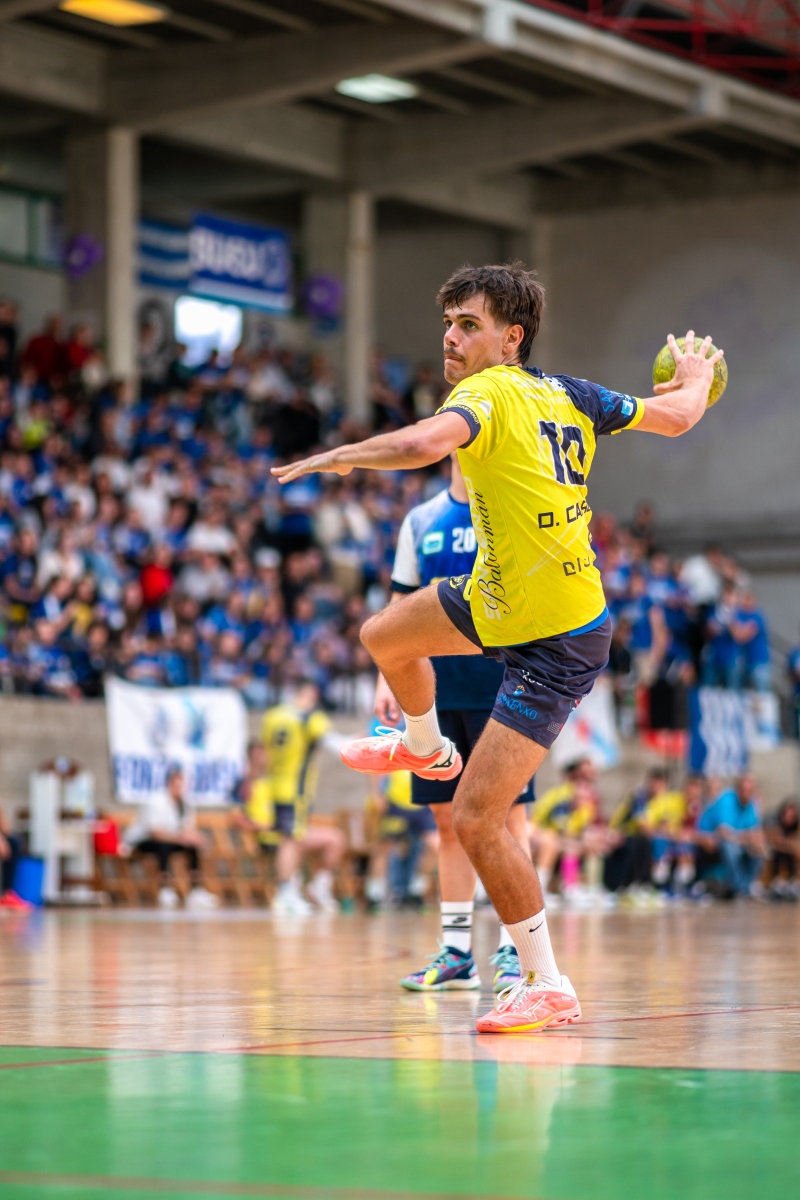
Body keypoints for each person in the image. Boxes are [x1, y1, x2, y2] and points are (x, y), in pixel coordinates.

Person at [272, 261, 724, 1033]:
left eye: (468, 325)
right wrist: (696, 378)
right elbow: (679, 416)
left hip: (558, 637)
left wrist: (338, 456)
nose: (450, 338)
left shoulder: (484, 394)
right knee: (382, 633)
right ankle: (425, 745)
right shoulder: (575, 395)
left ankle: (546, 982)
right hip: (497, 599)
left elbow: (422, 442)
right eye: (448, 324)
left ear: (511, 338)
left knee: (478, 818)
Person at [374, 455, 534, 992]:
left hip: (503, 687)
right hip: (435, 693)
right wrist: (385, 678)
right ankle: (457, 953)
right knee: (446, 822)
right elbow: (399, 604)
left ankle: (514, 950)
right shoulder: (420, 520)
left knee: (508, 817)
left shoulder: (508, 506)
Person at [260, 681, 346, 915]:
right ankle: (285, 893)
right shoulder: (308, 718)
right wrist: (360, 743)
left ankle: (290, 890)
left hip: (276, 785)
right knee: (291, 840)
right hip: (296, 788)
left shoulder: (272, 716)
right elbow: (333, 744)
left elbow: (266, 751)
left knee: (292, 839)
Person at [123, 766, 219, 910]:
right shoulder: (156, 801)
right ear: (169, 784)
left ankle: (195, 889)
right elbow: (155, 833)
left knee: (191, 847)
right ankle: (165, 888)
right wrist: (181, 838)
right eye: (176, 785)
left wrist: (196, 838)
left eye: (182, 785)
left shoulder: (185, 804)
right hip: (142, 841)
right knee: (163, 846)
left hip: (170, 840)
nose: (179, 789)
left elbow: (186, 830)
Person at [695, 773, 766, 898]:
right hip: (707, 840)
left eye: (749, 790)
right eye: (743, 789)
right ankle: (739, 887)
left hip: (735, 841)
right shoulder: (726, 799)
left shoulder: (751, 805)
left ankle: (745, 887)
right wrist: (747, 837)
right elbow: (723, 832)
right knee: (730, 847)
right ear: (737, 789)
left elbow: (756, 833)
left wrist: (754, 841)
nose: (746, 793)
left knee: (758, 850)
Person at [766, 798, 800, 899]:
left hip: (790, 858)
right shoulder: (775, 825)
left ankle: (791, 882)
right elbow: (777, 841)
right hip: (776, 855)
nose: (789, 818)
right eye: (787, 814)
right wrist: (790, 846)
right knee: (780, 855)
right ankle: (777, 882)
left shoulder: (795, 828)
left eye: (792, 816)